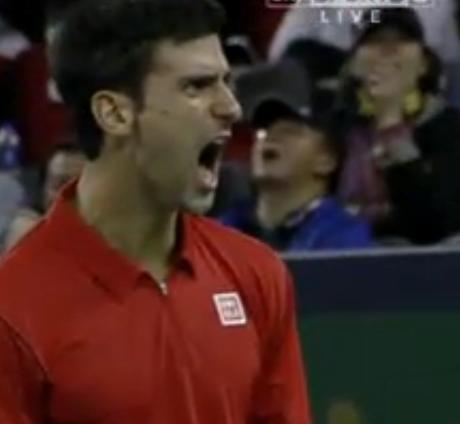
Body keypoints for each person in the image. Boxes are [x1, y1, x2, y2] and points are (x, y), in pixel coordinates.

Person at [0, 1, 311, 423]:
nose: (232, 107)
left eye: (225, 81)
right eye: (196, 86)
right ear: (114, 113)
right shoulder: (13, 308)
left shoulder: (256, 274)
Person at [336, 8, 460, 244]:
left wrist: (391, 121)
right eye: (374, 40)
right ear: (353, 66)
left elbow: (439, 225)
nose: (388, 48)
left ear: (424, 64)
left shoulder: (451, 127)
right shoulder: (334, 128)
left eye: (402, 40)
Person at [221, 61, 374, 251]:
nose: (270, 137)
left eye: (290, 131)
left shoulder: (344, 237)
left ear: (326, 161)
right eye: (263, 131)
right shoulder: (223, 229)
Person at [3, 142, 85, 251]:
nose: (67, 194)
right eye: (59, 185)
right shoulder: (27, 228)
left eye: (78, 187)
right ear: (44, 188)